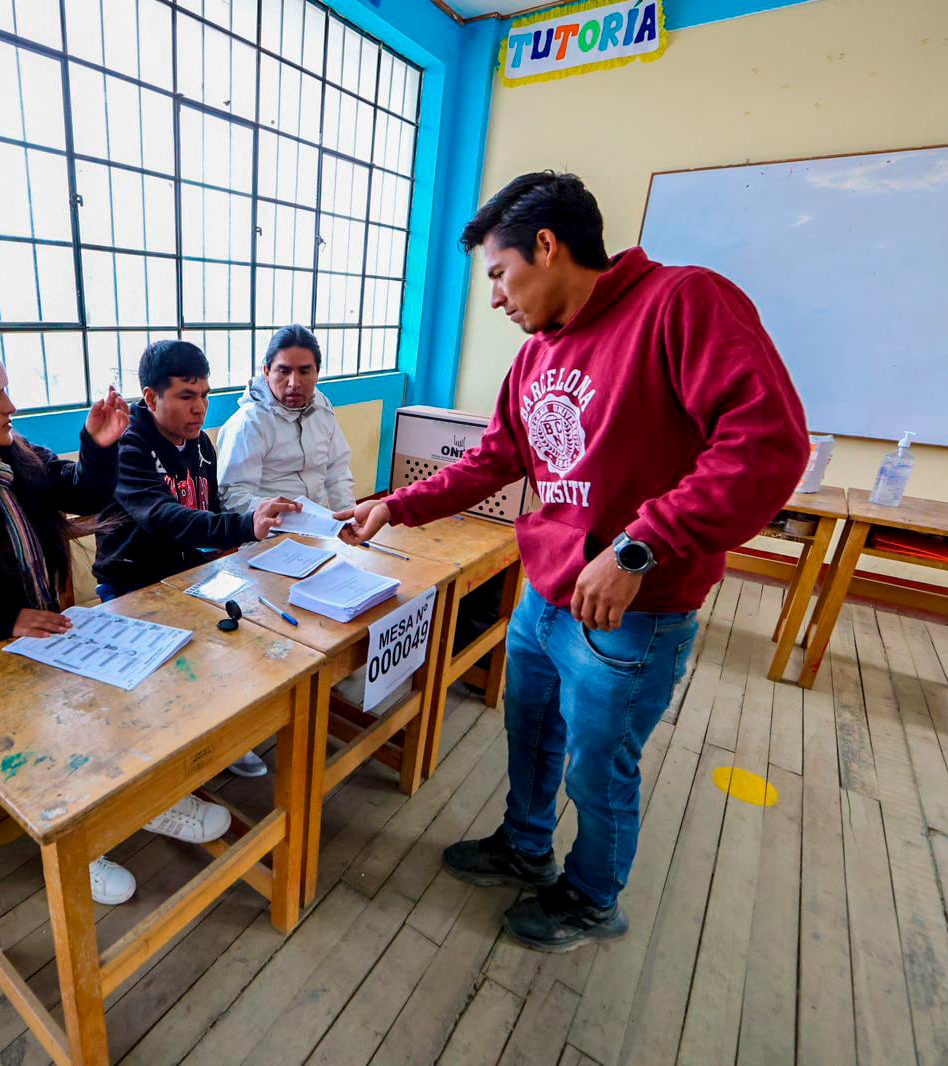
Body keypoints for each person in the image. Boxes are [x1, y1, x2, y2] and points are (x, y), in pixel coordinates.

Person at [340, 172, 809, 951]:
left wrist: (639, 544)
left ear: (547, 247)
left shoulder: (681, 303)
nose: (495, 297)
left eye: (498, 272)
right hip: (546, 594)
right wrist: (399, 502)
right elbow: (497, 457)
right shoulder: (534, 360)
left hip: (633, 611)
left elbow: (767, 445)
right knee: (529, 734)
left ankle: (593, 897)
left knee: (598, 769)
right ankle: (525, 845)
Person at [0, 322, 235, 906]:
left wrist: (97, 445)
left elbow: (79, 492)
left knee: (131, 691)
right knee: (61, 726)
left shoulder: (14, 455)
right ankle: (80, 843)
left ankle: (146, 801)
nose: (11, 406)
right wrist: (0, 620)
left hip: (38, 640)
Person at [94, 339, 298, 777]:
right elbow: (163, 517)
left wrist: (258, 523)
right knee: (156, 691)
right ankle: (163, 771)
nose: (200, 408)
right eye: (186, 396)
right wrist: (244, 525)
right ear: (151, 397)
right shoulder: (129, 447)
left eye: (204, 395)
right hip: (133, 585)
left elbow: (211, 509)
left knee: (216, 657)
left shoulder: (201, 444)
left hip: (189, 576)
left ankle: (216, 741)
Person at [216, 325, 357, 517]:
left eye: (304, 371)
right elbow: (232, 497)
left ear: (317, 373)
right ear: (267, 372)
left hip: (320, 524)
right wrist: (279, 514)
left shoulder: (322, 408)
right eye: (284, 371)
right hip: (269, 533)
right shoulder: (249, 423)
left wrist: (348, 518)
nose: (294, 383)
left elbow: (338, 472)